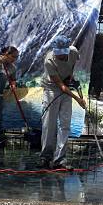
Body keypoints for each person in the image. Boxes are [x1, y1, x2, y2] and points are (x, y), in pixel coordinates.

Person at [39, 35, 86, 169]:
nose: (61, 56)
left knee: (65, 124)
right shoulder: (49, 60)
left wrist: (70, 77)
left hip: (66, 88)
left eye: (62, 53)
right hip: (52, 90)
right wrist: (78, 99)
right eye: (58, 53)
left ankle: (60, 158)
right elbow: (61, 86)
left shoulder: (73, 52)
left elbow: (72, 65)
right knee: (49, 124)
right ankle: (45, 156)